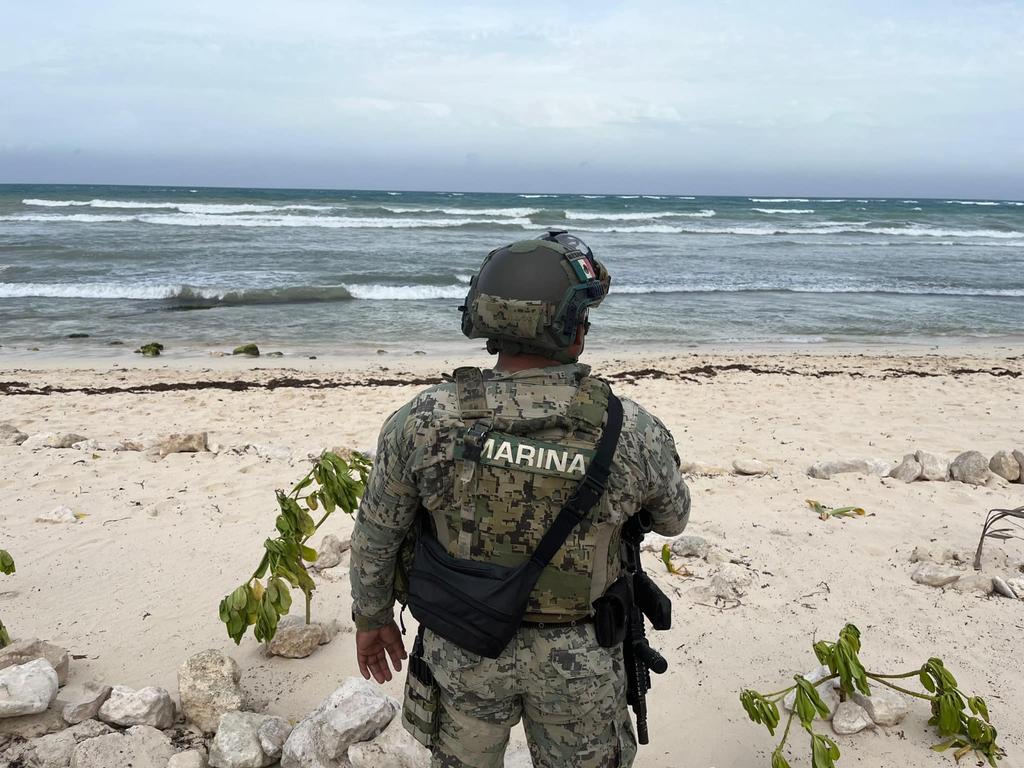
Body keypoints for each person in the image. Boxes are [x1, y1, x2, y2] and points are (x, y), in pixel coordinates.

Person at [350, 230, 691, 768]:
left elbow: (377, 533)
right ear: (573, 328)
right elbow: (673, 518)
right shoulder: (631, 431)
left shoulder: (422, 421)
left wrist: (372, 619)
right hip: (579, 656)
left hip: (462, 646)